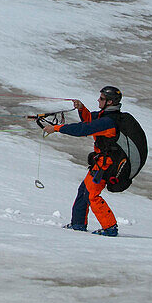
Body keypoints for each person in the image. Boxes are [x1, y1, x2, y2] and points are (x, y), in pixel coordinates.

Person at [43, 85, 125, 236]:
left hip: (106, 165)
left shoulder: (108, 122)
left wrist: (56, 128)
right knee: (84, 191)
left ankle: (110, 228)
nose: (98, 100)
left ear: (110, 102)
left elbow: (84, 129)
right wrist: (81, 109)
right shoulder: (104, 116)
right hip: (100, 162)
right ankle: (78, 224)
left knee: (92, 195)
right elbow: (90, 121)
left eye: (102, 98)